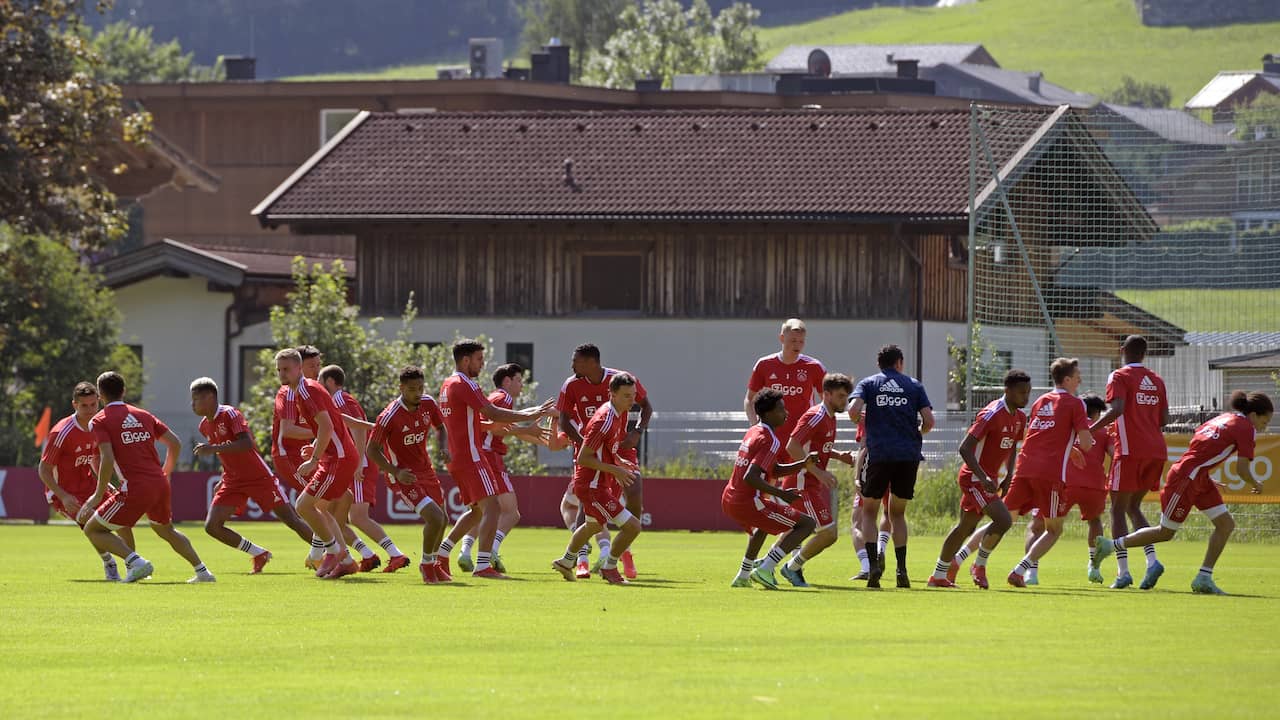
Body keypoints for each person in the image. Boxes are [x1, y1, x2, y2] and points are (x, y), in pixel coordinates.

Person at [1094, 391, 1272, 595]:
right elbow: (1241, 469)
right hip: (1186, 479)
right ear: (1253, 415)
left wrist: (1203, 473)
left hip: (1198, 477)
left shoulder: (1223, 418)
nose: (1263, 427)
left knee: (1225, 524)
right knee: (1165, 532)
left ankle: (1203, 578)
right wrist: (1255, 482)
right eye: (1264, 421)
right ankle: (1110, 546)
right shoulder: (1246, 428)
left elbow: (1199, 447)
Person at [78, 371, 214, 583]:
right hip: (159, 483)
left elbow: (106, 458)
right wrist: (166, 472)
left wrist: (97, 496)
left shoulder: (99, 420)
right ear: (123, 391)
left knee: (93, 529)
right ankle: (203, 572)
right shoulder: (143, 414)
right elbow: (175, 443)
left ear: (100, 396)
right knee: (166, 530)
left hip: (135, 488)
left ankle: (137, 562)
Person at [440, 339, 556, 578]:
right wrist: (529, 413)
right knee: (493, 507)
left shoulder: (447, 384)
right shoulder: (466, 384)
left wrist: (509, 424)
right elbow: (492, 412)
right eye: (479, 359)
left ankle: (441, 555)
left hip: (458, 456)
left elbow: (474, 421)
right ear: (466, 360)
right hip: (472, 456)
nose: (482, 365)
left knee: (476, 511)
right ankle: (483, 565)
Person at [190, 377, 314, 573]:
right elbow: (225, 453)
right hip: (233, 480)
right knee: (212, 526)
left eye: (195, 399)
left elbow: (246, 444)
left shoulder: (230, 414)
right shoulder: (204, 425)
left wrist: (212, 449)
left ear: (210, 397)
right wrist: (223, 477)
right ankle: (258, 553)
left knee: (292, 520)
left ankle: (329, 554)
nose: (192, 404)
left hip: (258, 477)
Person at [556, 343, 652, 579]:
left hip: (598, 471)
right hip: (593, 481)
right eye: (628, 397)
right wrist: (613, 467)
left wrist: (621, 456)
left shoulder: (617, 411)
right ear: (613, 394)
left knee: (592, 525)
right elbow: (583, 453)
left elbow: (646, 407)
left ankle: (566, 561)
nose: (633, 401)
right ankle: (608, 565)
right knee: (632, 526)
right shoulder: (605, 419)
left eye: (633, 396)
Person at [928, 369, 1031, 589]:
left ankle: (938, 576)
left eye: (1028, 392)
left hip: (990, 479)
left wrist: (1008, 475)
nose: (1026, 396)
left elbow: (1013, 446)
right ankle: (979, 565)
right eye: (1022, 392)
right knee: (1004, 520)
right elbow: (964, 448)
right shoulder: (992, 414)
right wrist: (983, 477)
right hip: (974, 478)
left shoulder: (1021, 418)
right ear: (1008, 390)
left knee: (964, 528)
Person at [1001, 358, 1094, 588]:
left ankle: (962, 557)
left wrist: (1068, 447)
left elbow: (1039, 436)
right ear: (1067, 379)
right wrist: (1085, 440)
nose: (1081, 379)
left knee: (1003, 520)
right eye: (1077, 375)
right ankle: (1021, 570)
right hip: (1050, 475)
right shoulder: (1075, 404)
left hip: (1024, 469)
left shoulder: (1040, 401)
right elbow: (1087, 443)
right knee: (1054, 529)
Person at [848, 344, 934, 588]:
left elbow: (853, 411)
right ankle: (902, 571)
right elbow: (929, 421)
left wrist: (863, 418)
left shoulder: (868, 383)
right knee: (896, 513)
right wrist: (917, 431)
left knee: (869, 511)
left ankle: (874, 566)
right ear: (900, 363)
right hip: (908, 455)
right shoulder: (914, 385)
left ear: (880, 365)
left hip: (879, 454)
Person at [1089, 335, 1169, 590]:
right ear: (1144, 354)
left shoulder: (1118, 376)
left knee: (1117, 509)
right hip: (1156, 450)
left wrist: (1091, 429)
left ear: (1122, 350)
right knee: (1134, 507)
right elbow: (1164, 419)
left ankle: (1123, 573)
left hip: (1130, 450)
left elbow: (1118, 408)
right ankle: (1152, 561)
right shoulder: (1156, 379)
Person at [722, 389, 818, 590]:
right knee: (807, 524)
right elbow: (752, 476)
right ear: (767, 414)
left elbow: (771, 469)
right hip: (748, 501)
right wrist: (782, 494)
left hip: (730, 497)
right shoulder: (770, 439)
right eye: (781, 409)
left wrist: (802, 463)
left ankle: (743, 575)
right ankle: (766, 569)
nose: (786, 413)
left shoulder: (754, 431)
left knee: (763, 527)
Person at [277, 349, 360, 579]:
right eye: (279, 370)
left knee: (304, 506)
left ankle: (334, 551)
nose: (282, 374)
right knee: (319, 508)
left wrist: (314, 459)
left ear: (299, 368)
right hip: (335, 456)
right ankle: (346, 561)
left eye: (287, 369)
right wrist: (315, 447)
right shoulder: (305, 390)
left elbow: (327, 426)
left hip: (338, 458)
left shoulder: (306, 391)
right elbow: (330, 423)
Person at [38, 382, 134, 581]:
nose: (90, 410)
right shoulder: (61, 432)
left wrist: (102, 482)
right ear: (75, 405)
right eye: (84, 406)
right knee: (92, 525)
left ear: (98, 401)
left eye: (93, 405)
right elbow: (44, 469)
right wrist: (63, 496)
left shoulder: (98, 425)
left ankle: (132, 567)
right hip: (66, 492)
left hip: (90, 484)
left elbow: (94, 457)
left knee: (122, 520)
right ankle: (110, 563)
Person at [366, 365, 452, 583]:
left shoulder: (428, 404)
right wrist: (395, 471)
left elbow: (441, 427)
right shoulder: (388, 416)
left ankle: (432, 564)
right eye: (413, 389)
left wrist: (444, 447)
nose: (418, 393)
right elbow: (371, 450)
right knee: (435, 517)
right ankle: (426, 565)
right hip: (403, 476)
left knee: (443, 520)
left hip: (426, 470)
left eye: (421, 387)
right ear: (401, 388)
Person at [321, 364, 408, 572]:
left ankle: (396, 554)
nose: (319, 386)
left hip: (359, 463)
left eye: (321, 381)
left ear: (331, 382)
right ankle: (367, 555)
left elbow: (359, 429)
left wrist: (359, 462)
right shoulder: (338, 400)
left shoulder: (341, 399)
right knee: (338, 518)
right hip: (350, 463)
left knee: (357, 516)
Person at [778, 373, 857, 587]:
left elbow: (817, 448)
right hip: (802, 482)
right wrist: (818, 472)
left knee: (796, 531)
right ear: (827, 394)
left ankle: (762, 566)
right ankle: (791, 567)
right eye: (841, 396)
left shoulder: (829, 417)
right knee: (829, 533)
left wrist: (839, 455)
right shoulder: (816, 415)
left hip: (807, 481)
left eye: (846, 397)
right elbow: (792, 446)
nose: (844, 401)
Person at [745, 318, 826, 459]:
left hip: (801, 437)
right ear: (782, 338)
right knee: (767, 477)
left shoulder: (814, 367)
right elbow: (749, 399)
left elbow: (827, 401)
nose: (797, 345)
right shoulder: (764, 364)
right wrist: (756, 426)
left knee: (797, 479)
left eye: (801, 341)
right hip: (772, 435)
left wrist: (816, 427)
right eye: (793, 341)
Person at [1063, 394, 1113, 584]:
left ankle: (1030, 569)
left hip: (1067, 483)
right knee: (1095, 521)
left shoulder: (1070, 428)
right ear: (1098, 413)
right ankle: (1093, 564)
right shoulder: (1104, 432)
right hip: (1094, 485)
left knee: (1046, 525)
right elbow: (1115, 454)